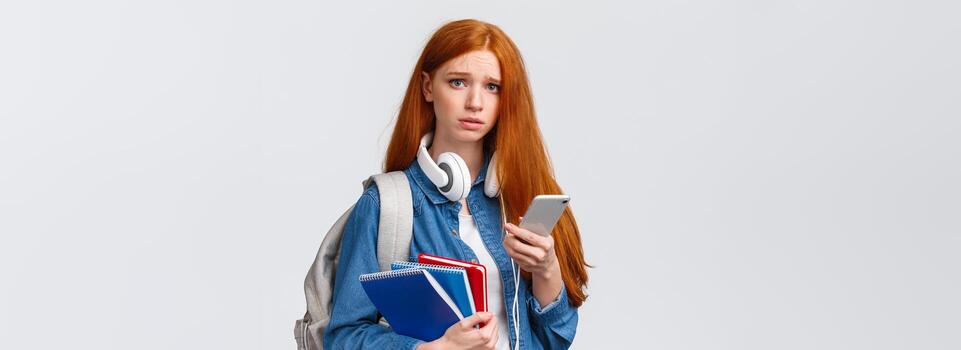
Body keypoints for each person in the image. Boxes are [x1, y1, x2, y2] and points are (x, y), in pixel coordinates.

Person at [324, 18, 589, 350]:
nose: (475, 102)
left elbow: (556, 339)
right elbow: (343, 337)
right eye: (458, 82)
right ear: (428, 87)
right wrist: (435, 348)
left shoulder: (523, 195)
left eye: (492, 87)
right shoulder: (386, 205)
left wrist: (547, 269)